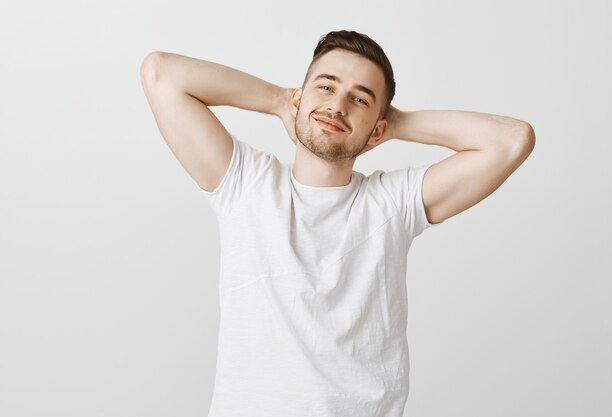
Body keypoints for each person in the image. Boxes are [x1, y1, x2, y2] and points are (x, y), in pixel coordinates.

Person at [140, 30, 534, 417]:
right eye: (326, 87)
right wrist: (279, 101)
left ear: (377, 128)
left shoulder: (391, 204)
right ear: (301, 96)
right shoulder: (245, 184)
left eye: (359, 99)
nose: (338, 106)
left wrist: (394, 124)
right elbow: (162, 73)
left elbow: (512, 141)